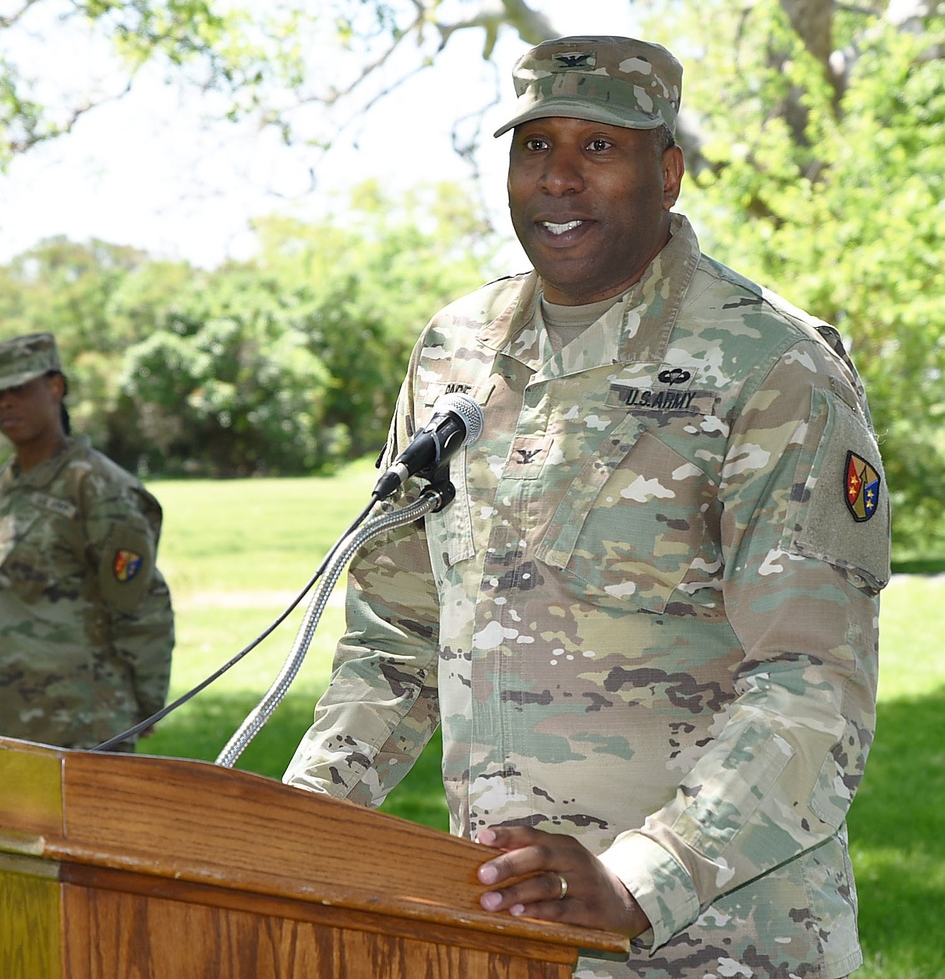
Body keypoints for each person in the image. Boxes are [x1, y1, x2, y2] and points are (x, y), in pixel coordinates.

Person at [284, 35, 890, 978]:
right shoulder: (457, 352)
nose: (559, 178)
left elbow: (816, 686)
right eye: (535, 146)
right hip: (510, 927)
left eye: (601, 147)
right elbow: (394, 633)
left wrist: (643, 877)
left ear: (671, 171)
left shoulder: (771, 367)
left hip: (724, 940)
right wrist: (289, 826)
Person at [0, 332, 174, 752]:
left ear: (55, 387)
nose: (4, 403)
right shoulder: (1, 487)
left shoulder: (97, 485)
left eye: (18, 389)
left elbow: (140, 602)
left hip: (80, 721)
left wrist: (145, 702)